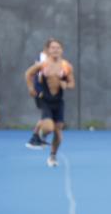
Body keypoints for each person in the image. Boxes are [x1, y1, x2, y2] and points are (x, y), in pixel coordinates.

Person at [24, 39, 74, 167]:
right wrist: (31, 88)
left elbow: (72, 83)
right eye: (53, 47)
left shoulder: (66, 66)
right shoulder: (43, 65)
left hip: (58, 102)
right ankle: (41, 135)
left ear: (62, 50)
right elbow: (28, 74)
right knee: (49, 127)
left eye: (58, 47)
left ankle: (52, 156)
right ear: (48, 50)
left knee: (59, 134)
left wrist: (66, 84)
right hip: (45, 100)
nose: (55, 50)